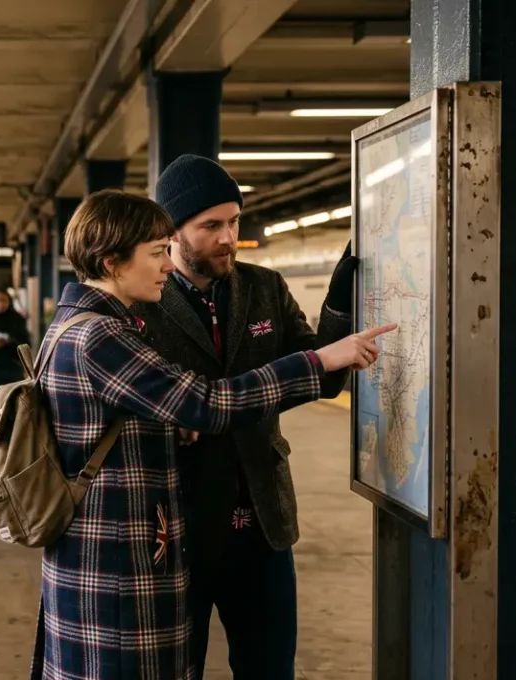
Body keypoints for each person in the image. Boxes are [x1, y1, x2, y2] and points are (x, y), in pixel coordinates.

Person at [32, 189, 393, 680]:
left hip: (211, 531)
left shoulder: (88, 323)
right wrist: (317, 360)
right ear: (112, 261)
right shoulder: (102, 333)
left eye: (235, 222)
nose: (166, 265)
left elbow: (135, 407)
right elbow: (207, 401)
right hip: (131, 550)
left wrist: (168, 420)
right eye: (158, 252)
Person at [133, 155, 359, 679]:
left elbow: (322, 375)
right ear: (171, 232)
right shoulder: (142, 302)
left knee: (270, 667)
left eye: (233, 221)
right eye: (210, 225)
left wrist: (340, 306)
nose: (227, 237)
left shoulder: (264, 288)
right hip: (176, 527)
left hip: (261, 524)